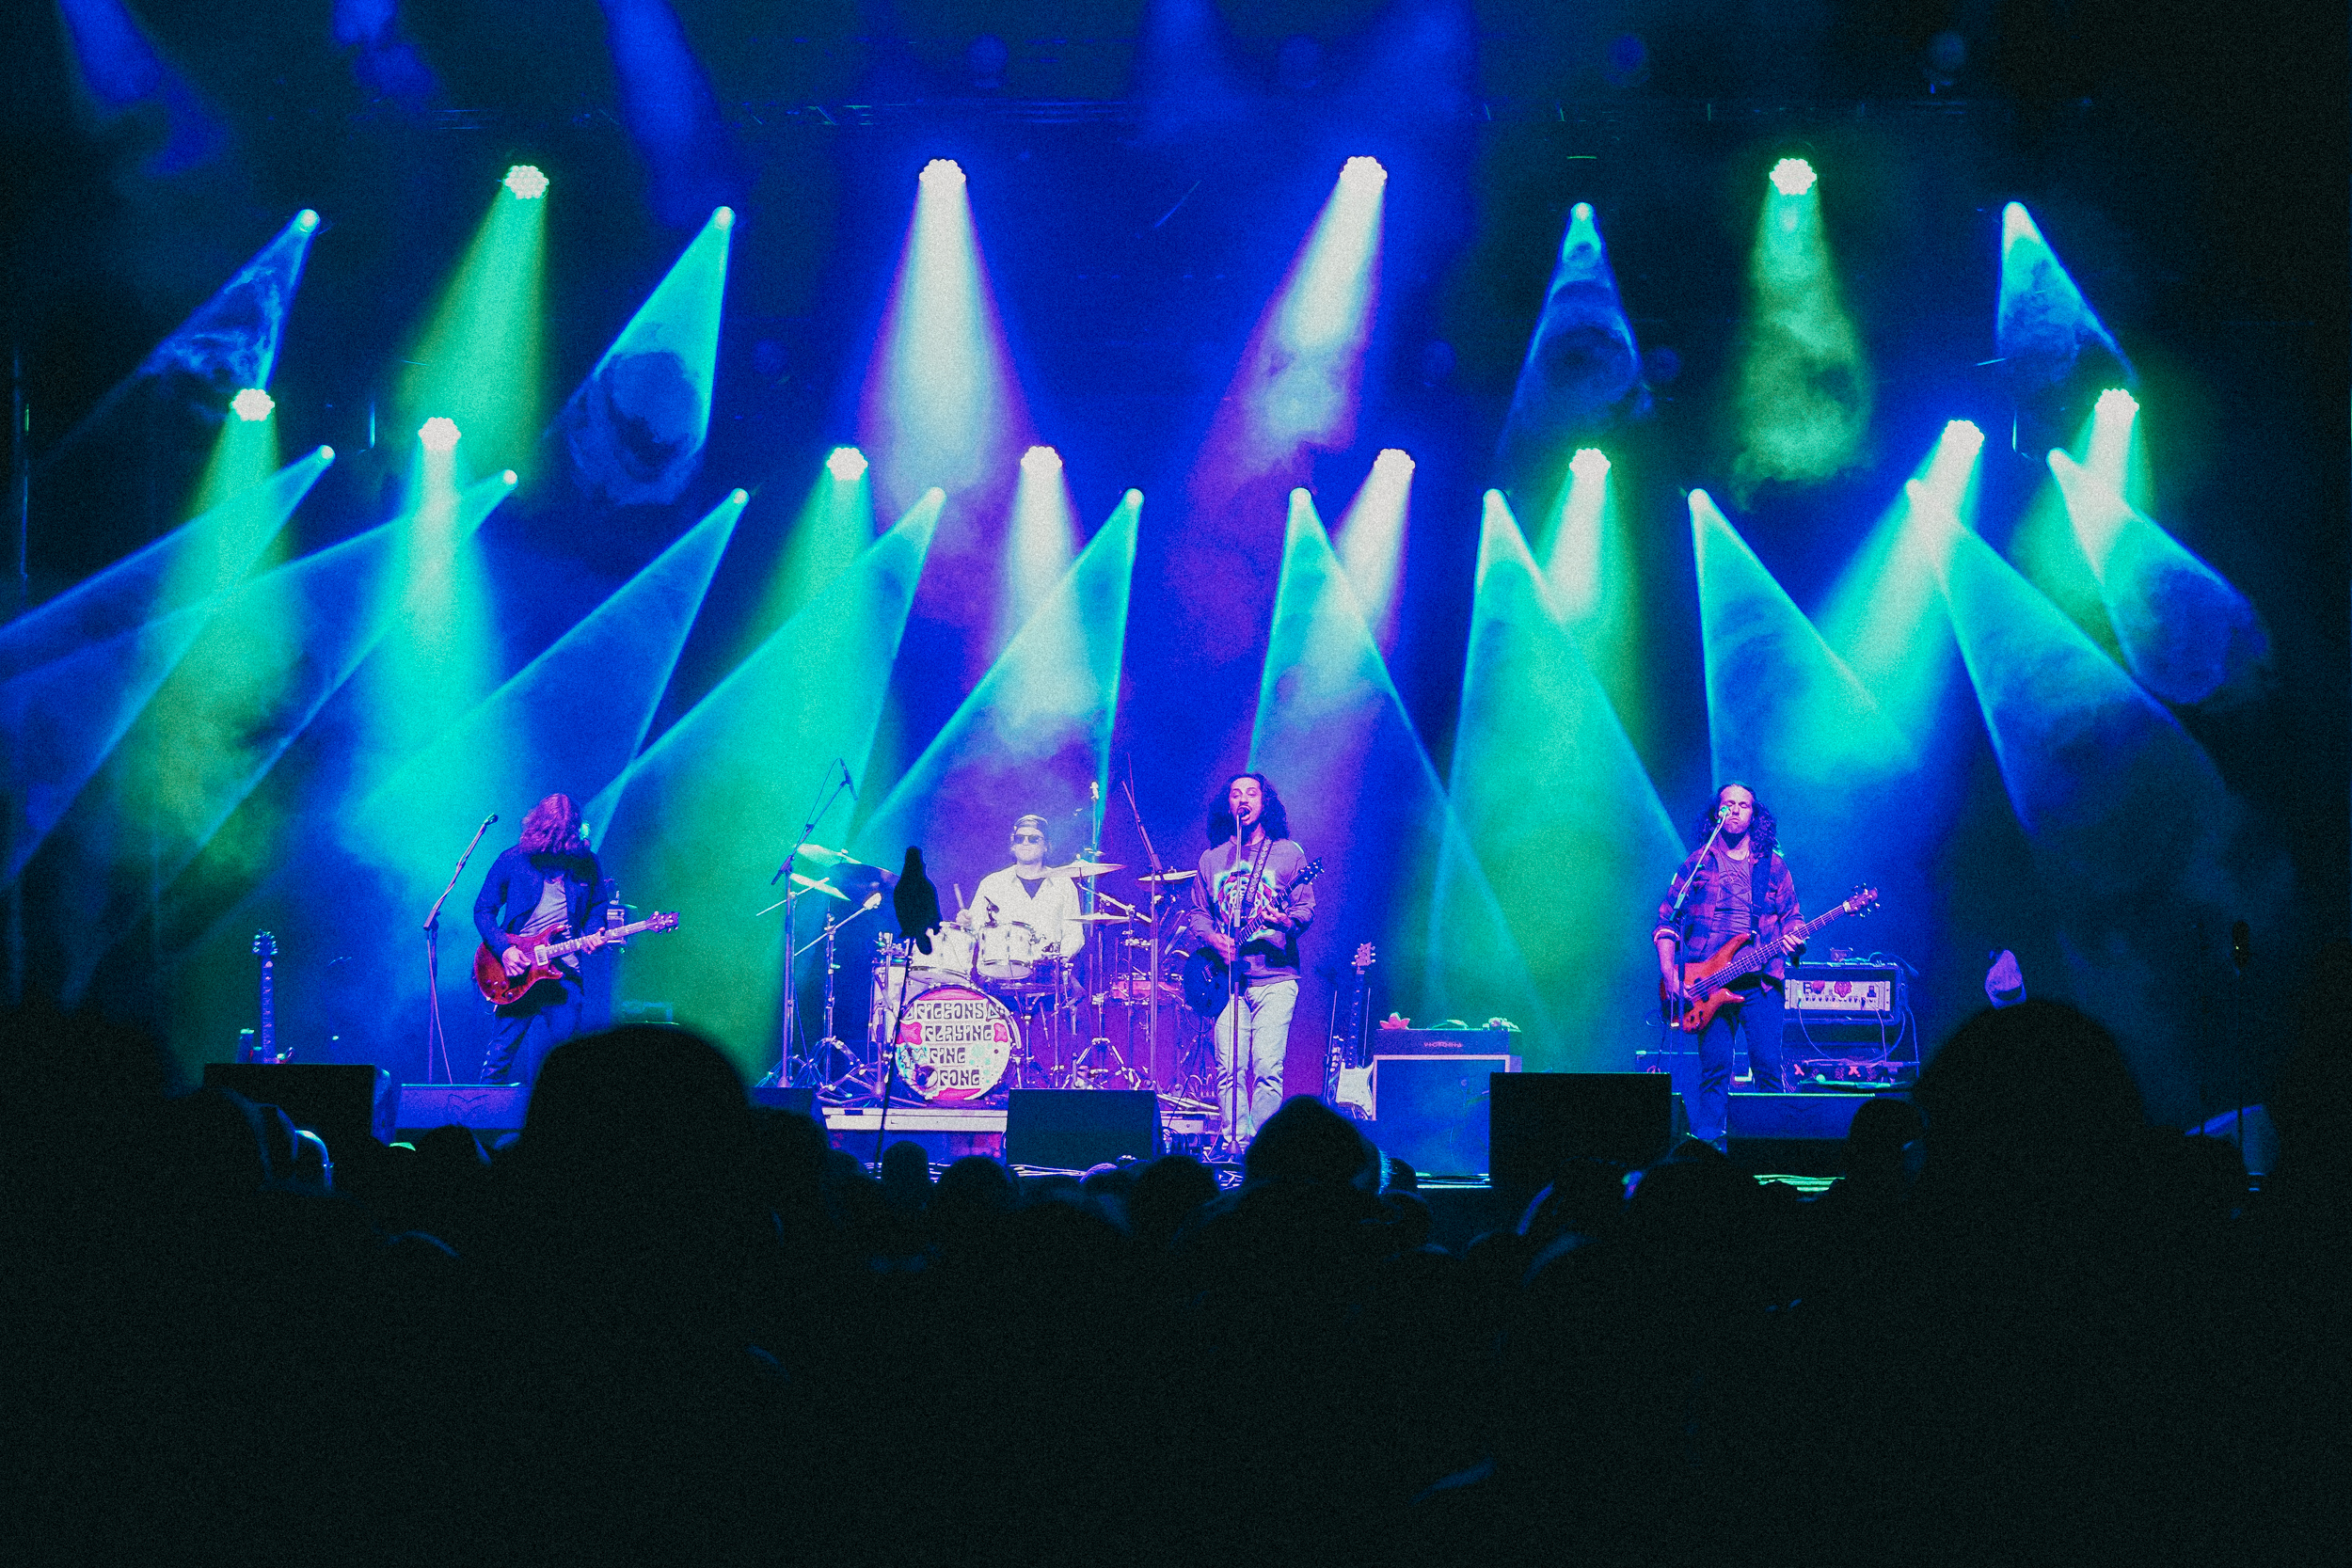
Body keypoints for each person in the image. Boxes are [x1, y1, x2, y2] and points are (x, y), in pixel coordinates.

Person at [1654, 783, 1802, 1147]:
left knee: (1767, 1066)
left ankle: (1770, 1149)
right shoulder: (1696, 864)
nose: (1735, 810)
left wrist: (1797, 936)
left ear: (1755, 815)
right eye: (1728, 804)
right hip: (1706, 983)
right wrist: (1671, 974)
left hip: (1761, 982)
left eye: (1743, 805)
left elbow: (1793, 917)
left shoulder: (1773, 865)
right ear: (1716, 812)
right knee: (1715, 1070)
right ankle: (1704, 1152)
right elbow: (1665, 922)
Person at [1189, 773, 1315, 1152]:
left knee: (1266, 1068)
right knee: (1228, 1069)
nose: (1243, 798)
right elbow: (1198, 913)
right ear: (1228, 804)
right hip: (1227, 981)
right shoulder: (1212, 858)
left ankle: (1264, 1153)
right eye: (1235, 793)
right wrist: (1214, 939)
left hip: (1275, 977)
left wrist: (1284, 920)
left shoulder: (1289, 853)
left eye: (1251, 792)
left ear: (1265, 802)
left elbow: (1306, 908)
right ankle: (1233, 1146)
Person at [475, 792, 610, 1087]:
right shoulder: (513, 860)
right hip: (518, 974)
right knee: (498, 1060)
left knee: (568, 1064)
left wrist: (591, 933)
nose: (559, 850)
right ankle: (478, 1128)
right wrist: (505, 949)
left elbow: (599, 907)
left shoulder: (587, 864)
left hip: (565, 975)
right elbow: (484, 910)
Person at [971, 814, 1086, 973]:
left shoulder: (1063, 884)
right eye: (1020, 839)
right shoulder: (992, 884)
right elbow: (974, 930)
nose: (1025, 843)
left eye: (1033, 839)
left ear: (1046, 846)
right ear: (1013, 845)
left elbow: (1074, 934)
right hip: (999, 975)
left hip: (1048, 976)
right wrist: (966, 923)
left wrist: (1059, 960)